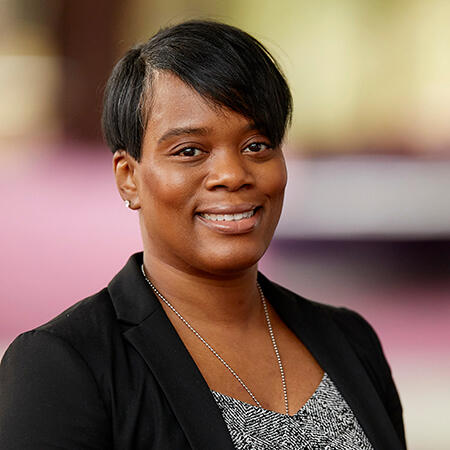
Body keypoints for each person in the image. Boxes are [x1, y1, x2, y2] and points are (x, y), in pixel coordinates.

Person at [0, 20, 406, 450]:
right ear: (128, 177)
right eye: (189, 151)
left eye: (256, 145)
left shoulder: (350, 341)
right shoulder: (63, 365)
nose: (232, 174)